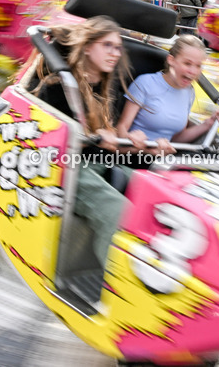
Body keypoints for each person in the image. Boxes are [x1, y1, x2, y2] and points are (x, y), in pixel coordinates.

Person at [31, 16, 144, 267]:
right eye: (107, 45)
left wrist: (128, 142)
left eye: (118, 47)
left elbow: (107, 144)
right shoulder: (57, 86)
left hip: (95, 163)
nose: (115, 53)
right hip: (65, 169)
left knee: (149, 190)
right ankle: (115, 290)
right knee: (118, 212)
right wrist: (91, 139)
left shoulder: (104, 90)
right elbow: (46, 142)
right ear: (88, 46)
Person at [115, 35, 219, 171]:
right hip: (135, 157)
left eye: (198, 66)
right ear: (171, 60)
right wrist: (145, 146)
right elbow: (121, 129)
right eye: (187, 63)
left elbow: (175, 138)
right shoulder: (145, 83)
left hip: (164, 160)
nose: (193, 71)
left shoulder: (189, 92)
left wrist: (207, 124)